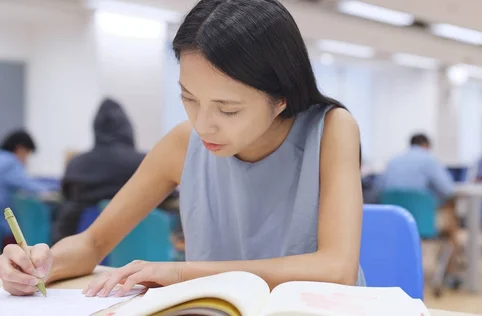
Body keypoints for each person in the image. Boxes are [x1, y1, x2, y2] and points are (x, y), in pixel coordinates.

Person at [0, 0, 364, 297]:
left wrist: (181, 272)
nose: (203, 124)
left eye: (228, 109)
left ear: (281, 98)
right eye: (188, 98)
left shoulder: (331, 130)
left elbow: (336, 269)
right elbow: (94, 242)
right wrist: (40, 265)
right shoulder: (183, 143)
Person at [51, 98, 146, 245]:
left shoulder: (76, 163)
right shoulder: (142, 162)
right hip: (136, 248)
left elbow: (64, 195)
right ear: (127, 127)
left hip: (78, 248)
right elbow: (167, 195)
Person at [0, 130, 48, 240]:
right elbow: (28, 184)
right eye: (27, 153)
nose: (26, 159)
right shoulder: (10, 162)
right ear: (20, 148)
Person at [380, 133, 455, 202]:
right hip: (421, 211)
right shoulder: (430, 160)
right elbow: (447, 190)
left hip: (395, 212)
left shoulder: (393, 161)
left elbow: (379, 189)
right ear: (426, 145)